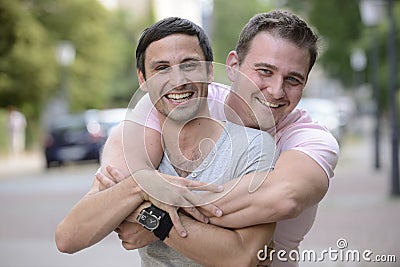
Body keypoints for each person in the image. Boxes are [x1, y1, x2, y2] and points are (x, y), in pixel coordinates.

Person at [99, 10, 340, 267]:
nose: (277, 90)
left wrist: (158, 220)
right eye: (265, 71)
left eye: (293, 79)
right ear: (234, 66)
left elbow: (284, 197)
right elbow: (115, 175)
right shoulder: (186, 96)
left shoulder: (311, 139)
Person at [56, 17, 276, 266]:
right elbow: (68, 238)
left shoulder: (254, 146)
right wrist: (143, 185)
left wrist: (149, 217)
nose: (178, 80)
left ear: (210, 70)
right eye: (161, 68)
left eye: (189, 64)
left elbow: (241, 256)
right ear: (143, 80)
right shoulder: (141, 154)